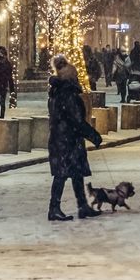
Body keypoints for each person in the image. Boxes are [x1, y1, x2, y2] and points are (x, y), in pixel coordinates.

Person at [46, 56, 103, 221]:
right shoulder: (69, 95)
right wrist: (94, 136)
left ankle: (82, 206)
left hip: (61, 139)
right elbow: (76, 121)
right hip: (67, 141)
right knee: (62, 175)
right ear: (71, 78)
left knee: (75, 173)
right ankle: (54, 208)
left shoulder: (56, 93)